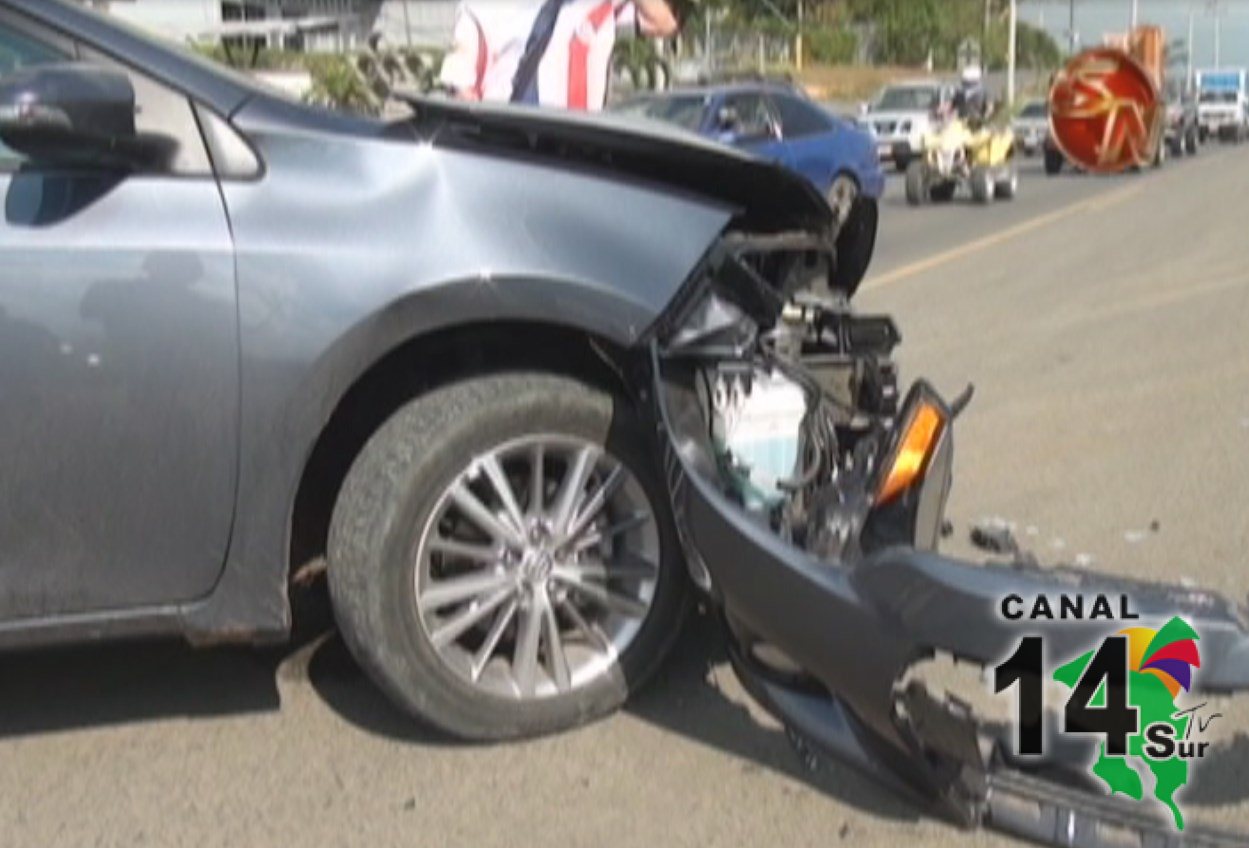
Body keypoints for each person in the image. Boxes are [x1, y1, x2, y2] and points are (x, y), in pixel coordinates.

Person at [439, 0, 678, 111]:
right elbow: (462, 88)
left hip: (579, 145)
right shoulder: (481, 7)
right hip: (510, 142)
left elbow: (662, 22)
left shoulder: (596, 4)